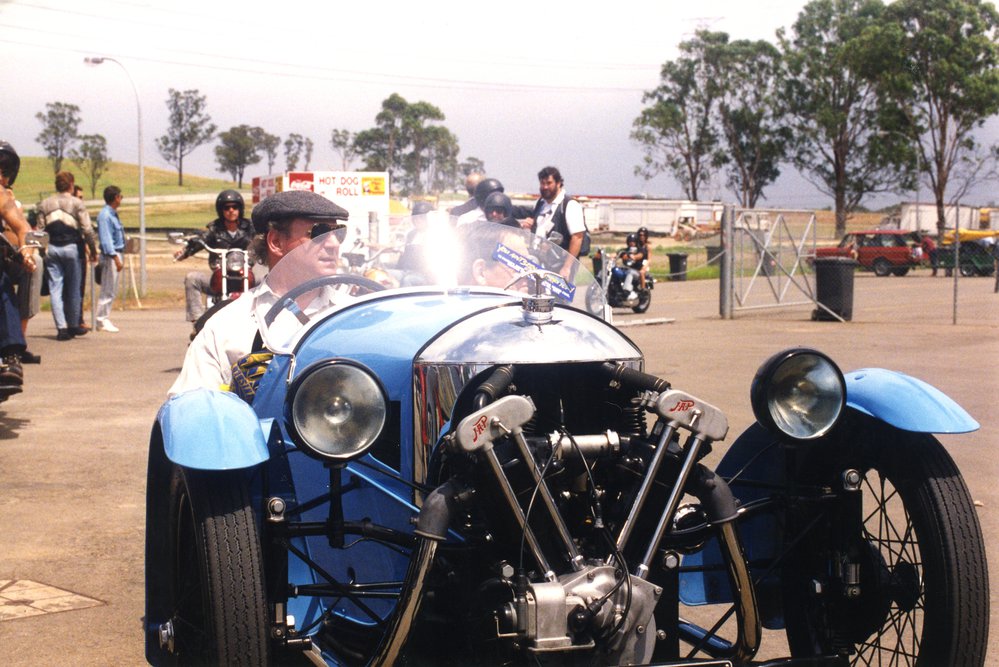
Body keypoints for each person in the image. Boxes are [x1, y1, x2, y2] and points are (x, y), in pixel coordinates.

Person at [168, 190, 349, 397]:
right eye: (319, 232)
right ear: (276, 242)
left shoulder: (356, 315)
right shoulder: (225, 326)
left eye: (339, 233)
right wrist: (239, 399)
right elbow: (189, 406)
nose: (334, 244)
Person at [175, 189, 255, 325]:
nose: (231, 211)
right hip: (219, 276)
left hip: (246, 275)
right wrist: (185, 251)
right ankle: (197, 322)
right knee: (192, 278)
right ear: (221, 210)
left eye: (234, 207)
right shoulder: (214, 229)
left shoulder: (250, 228)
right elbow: (201, 240)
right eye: (226, 208)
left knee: (268, 279)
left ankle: (269, 324)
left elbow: (262, 240)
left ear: (240, 209)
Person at [0, 141, 40, 392]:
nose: (1, 175)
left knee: (3, 284)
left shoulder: (3, 196)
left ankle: (11, 355)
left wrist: (27, 251)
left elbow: (22, 227)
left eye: (5, 170)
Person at [38, 170, 95, 340]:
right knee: (74, 288)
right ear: (71, 184)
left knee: (55, 288)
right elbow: (87, 229)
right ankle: (73, 324)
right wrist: (93, 250)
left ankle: (61, 328)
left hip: (52, 248)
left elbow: (40, 231)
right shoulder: (77, 203)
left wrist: (42, 252)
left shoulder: (45, 204)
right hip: (72, 247)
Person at [531, 166, 588, 278]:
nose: (545, 187)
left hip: (560, 265)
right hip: (539, 263)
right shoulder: (540, 204)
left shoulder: (570, 205)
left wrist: (567, 267)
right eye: (542, 183)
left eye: (549, 183)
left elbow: (577, 237)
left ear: (558, 183)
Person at [94, 185, 125, 332]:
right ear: (115, 198)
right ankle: (101, 319)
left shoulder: (112, 214)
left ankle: (104, 317)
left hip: (116, 253)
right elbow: (106, 240)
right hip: (110, 256)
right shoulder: (105, 216)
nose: (121, 199)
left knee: (111, 289)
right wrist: (115, 258)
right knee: (107, 288)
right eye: (120, 196)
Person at [618, 233, 644, 299]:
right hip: (625, 270)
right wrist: (605, 255)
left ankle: (626, 291)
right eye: (630, 241)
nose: (631, 243)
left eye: (633, 241)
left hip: (636, 271)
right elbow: (616, 254)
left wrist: (633, 256)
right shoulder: (624, 251)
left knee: (630, 272)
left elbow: (640, 255)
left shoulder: (640, 250)